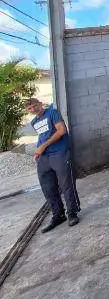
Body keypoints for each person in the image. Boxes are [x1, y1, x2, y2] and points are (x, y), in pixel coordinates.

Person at [24, 98, 80, 232]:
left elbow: (61, 131)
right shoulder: (34, 122)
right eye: (30, 108)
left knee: (66, 184)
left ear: (40, 104)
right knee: (48, 187)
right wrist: (38, 151)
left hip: (59, 153)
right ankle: (58, 214)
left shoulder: (52, 113)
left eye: (35, 106)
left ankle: (72, 213)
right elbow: (43, 136)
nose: (33, 109)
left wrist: (43, 146)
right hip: (44, 157)